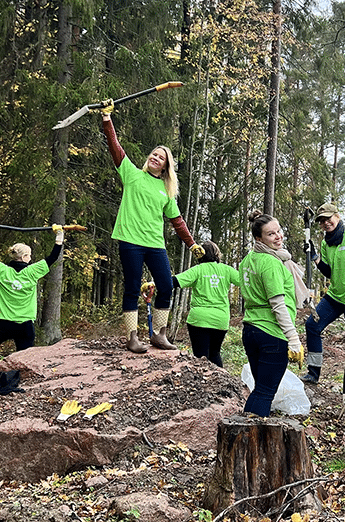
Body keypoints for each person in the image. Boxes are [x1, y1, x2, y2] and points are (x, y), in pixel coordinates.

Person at [100, 101, 204, 353]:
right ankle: (132, 337)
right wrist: (106, 119)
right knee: (133, 286)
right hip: (131, 241)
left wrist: (192, 244)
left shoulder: (166, 191)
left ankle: (159, 334)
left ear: (166, 166)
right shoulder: (132, 174)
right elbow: (115, 147)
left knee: (166, 286)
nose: (156, 157)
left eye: (162, 157)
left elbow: (177, 222)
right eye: (154, 154)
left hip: (155, 244)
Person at [238, 211, 305, 417]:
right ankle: (251, 438)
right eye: (270, 234)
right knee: (265, 393)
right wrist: (293, 339)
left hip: (251, 331)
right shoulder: (270, 263)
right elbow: (278, 304)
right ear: (259, 238)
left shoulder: (248, 260)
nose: (278, 237)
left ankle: (243, 435)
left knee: (260, 389)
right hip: (271, 334)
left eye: (278, 231)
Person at [301, 202, 345, 397]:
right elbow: (329, 271)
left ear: (337, 216)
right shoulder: (326, 242)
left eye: (328, 218)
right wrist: (315, 257)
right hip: (334, 296)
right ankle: (313, 373)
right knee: (312, 325)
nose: (325, 223)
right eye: (321, 221)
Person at [0, 221, 64, 362]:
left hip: (3, 324)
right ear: (25, 257)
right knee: (25, 362)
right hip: (25, 326)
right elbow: (53, 257)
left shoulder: (1, 270)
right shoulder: (33, 272)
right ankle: (22, 383)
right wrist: (59, 235)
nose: (30, 258)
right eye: (29, 255)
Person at [173, 240, 240, 367]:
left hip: (199, 319)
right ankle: (220, 384)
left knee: (200, 358)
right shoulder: (226, 270)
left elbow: (175, 281)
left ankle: (201, 385)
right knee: (215, 354)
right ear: (217, 254)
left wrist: (155, 285)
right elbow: (245, 281)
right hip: (220, 319)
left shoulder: (198, 270)